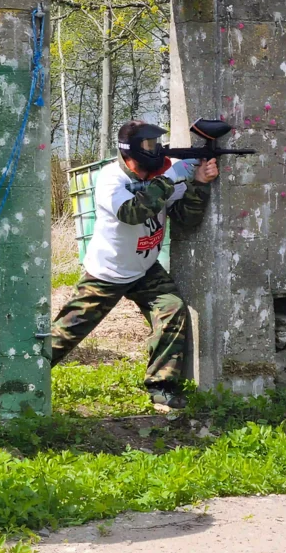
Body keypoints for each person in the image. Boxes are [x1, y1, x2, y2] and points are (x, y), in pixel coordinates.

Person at [51, 120, 219, 406]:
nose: (156, 151)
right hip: (107, 273)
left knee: (172, 310)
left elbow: (186, 219)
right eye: (150, 146)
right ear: (130, 151)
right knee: (65, 334)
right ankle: (18, 379)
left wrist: (198, 185)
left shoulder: (162, 174)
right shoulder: (111, 178)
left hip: (145, 270)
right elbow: (131, 212)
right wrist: (167, 180)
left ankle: (161, 386)